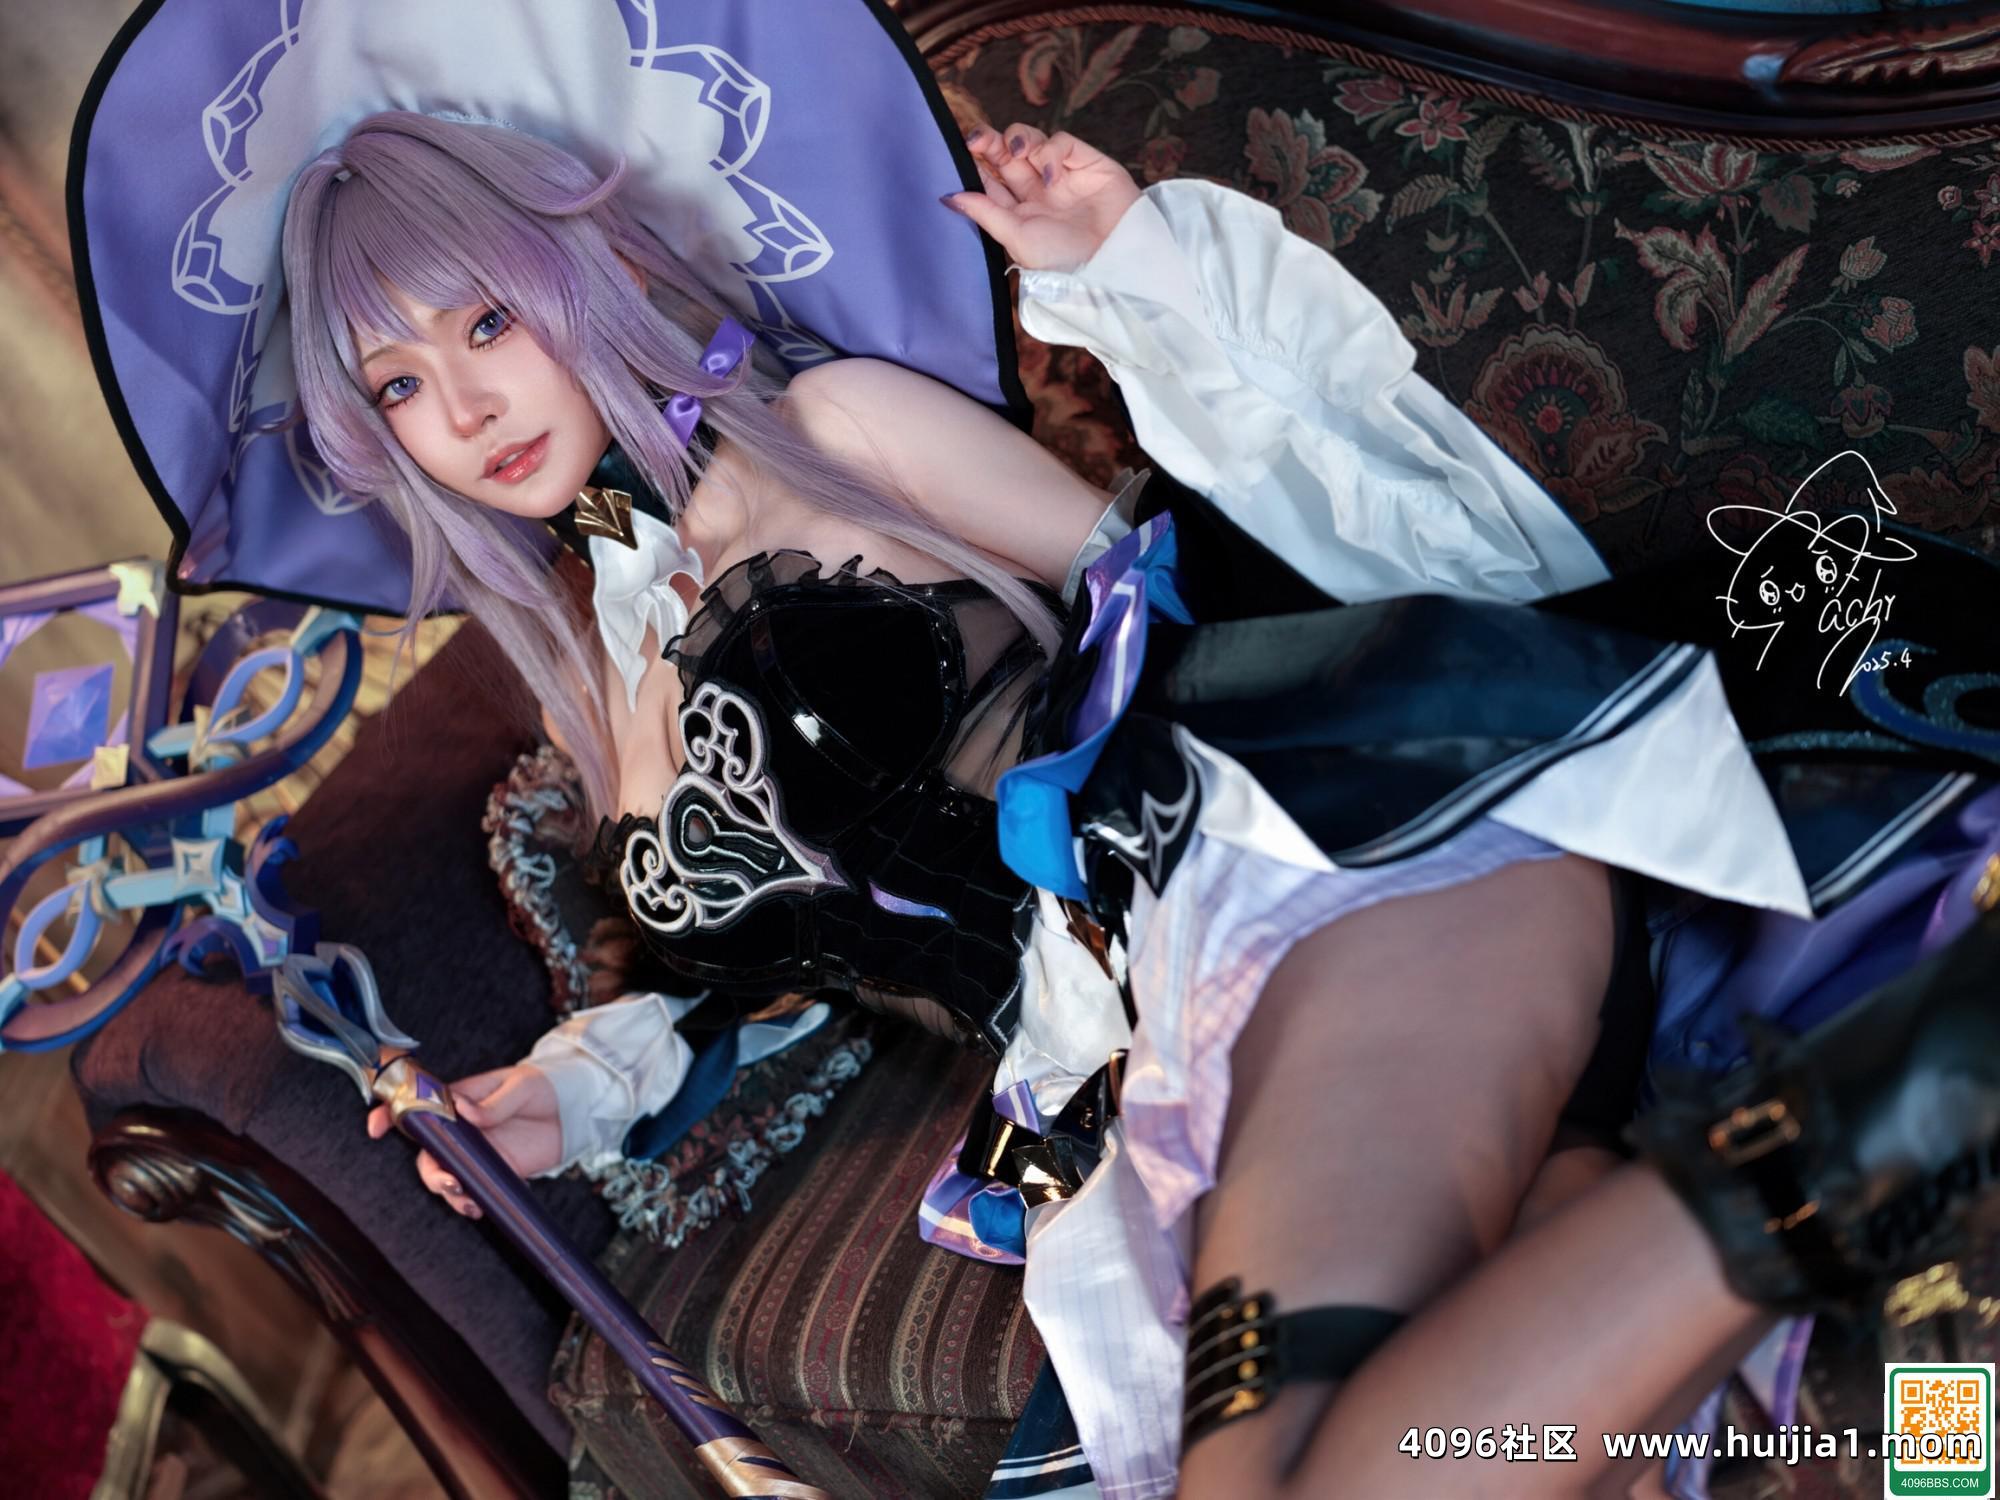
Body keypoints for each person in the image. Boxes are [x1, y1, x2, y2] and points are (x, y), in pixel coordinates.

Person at [264, 105, 2000, 1500]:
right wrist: (566, 1094)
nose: (463, 405)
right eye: (397, 382)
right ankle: (1893, 1106)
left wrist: (1128, 277)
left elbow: (1217, 567)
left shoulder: (833, 430)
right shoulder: (590, 686)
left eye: (484, 321)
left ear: (579, 275)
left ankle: (1925, 1080)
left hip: (1309, 860)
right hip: (1144, 1067)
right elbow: (773, 955)